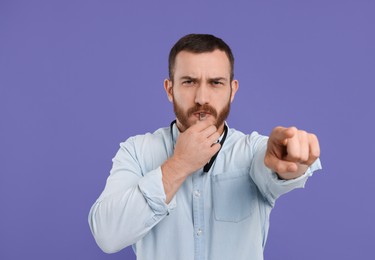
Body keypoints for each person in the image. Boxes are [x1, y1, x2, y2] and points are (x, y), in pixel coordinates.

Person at [88, 33, 322, 260]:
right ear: (170, 90)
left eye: (216, 83)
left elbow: (276, 168)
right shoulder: (136, 152)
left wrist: (290, 160)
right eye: (189, 82)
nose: (202, 98)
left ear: (232, 90)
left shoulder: (252, 151)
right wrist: (179, 164)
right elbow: (107, 236)